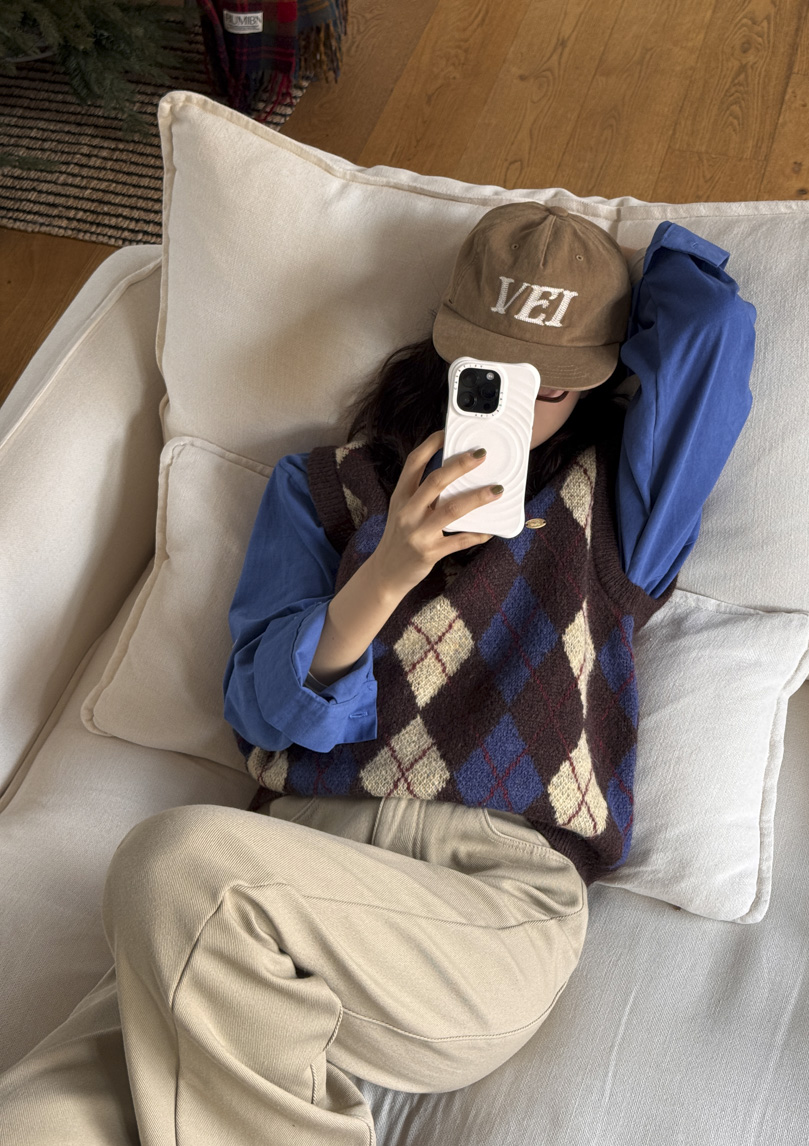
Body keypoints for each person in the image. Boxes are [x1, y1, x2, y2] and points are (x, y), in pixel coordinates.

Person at [0, 203, 756, 1145]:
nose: (522, 404)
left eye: (553, 386)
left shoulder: (618, 509)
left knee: (176, 865)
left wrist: (599, 296)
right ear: (449, 348)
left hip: (488, 905)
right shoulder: (323, 488)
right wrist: (389, 568)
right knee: (33, 1120)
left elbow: (711, 329)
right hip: (279, 883)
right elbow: (262, 713)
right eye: (496, 373)